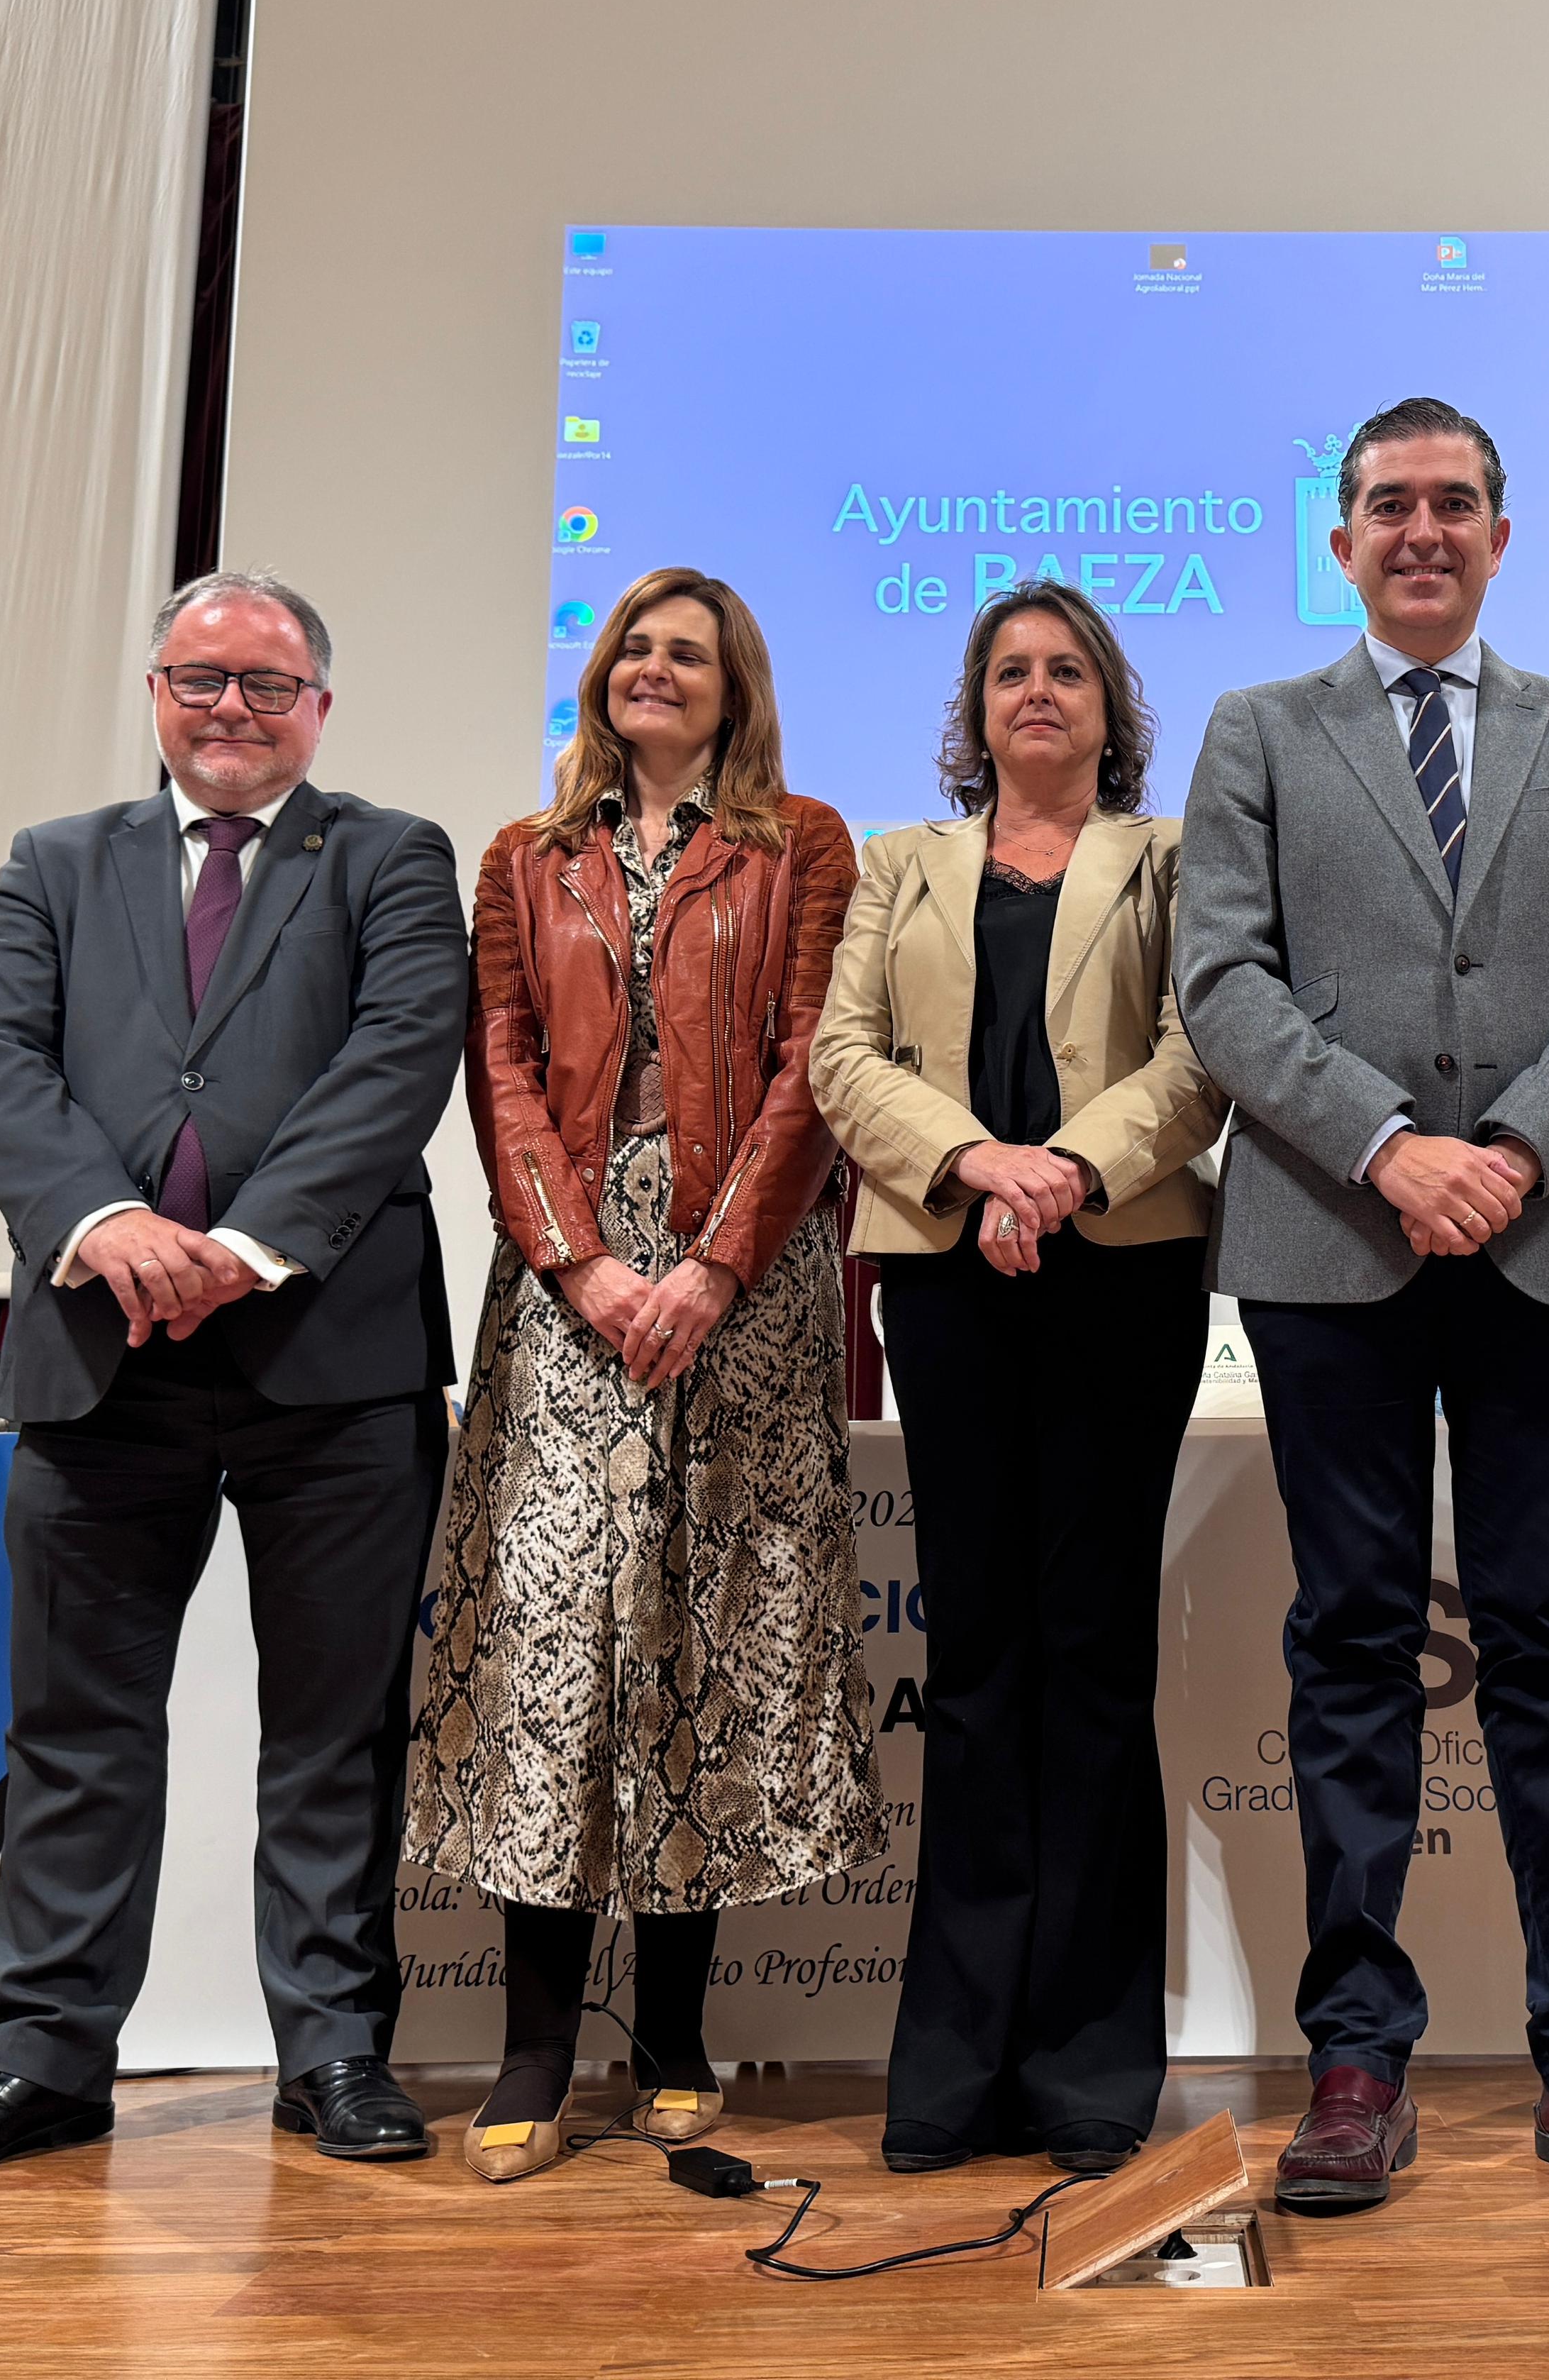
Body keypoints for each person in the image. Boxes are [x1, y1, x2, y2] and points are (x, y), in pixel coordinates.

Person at [1177, 397, 1549, 2215]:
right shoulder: (1259, 730)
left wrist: (1501, 1146)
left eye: (1454, 503)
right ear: (1336, 540)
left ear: (1503, 533)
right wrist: (1391, 1145)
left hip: (1544, 1231)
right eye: (1387, 505)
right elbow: (1224, 981)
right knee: (1348, 1642)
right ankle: (1355, 2052)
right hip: (1328, 1240)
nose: (1421, 528)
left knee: (1544, 1641)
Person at [0, 572, 469, 2181]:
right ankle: (48, 2054)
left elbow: (398, 1058)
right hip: (93, 1352)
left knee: (334, 1730)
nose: (231, 710)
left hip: (329, 1359)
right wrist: (110, 1222)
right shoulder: (54, 863)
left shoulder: (392, 857)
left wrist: (248, 1246)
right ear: (154, 693)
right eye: (202, 679)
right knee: (75, 1725)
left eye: (268, 686)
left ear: (319, 709)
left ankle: (332, 2049)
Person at [406, 566, 884, 2183]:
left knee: (702, 1639)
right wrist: (587, 1258)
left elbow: (816, 1063)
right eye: (634, 648)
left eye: (687, 652)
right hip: (565, 1280)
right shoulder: (522, 861)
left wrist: (712, 1263)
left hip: (743, 1286)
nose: (655, 669)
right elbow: (504, 1073)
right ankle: (536, 2041)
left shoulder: (803, 842)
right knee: (550, 1651)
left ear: (732, 684)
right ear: (601, 676)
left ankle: (675, 2029)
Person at [811, 583, 1227, 2176]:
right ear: (973, 705)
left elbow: (1200, 1055)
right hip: (942, 1273)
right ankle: (957, 2059)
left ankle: (1089, 2062)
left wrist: (1058, 1174)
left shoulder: (1174, 857)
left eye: (1065, 672)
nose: (1035, 692)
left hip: (1120, 1265)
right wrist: (975, 1165)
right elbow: (844, 1060)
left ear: (1109, 707)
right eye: (1009, 672)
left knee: (1094, 1654)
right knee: (976, 1662)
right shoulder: (900, 865)